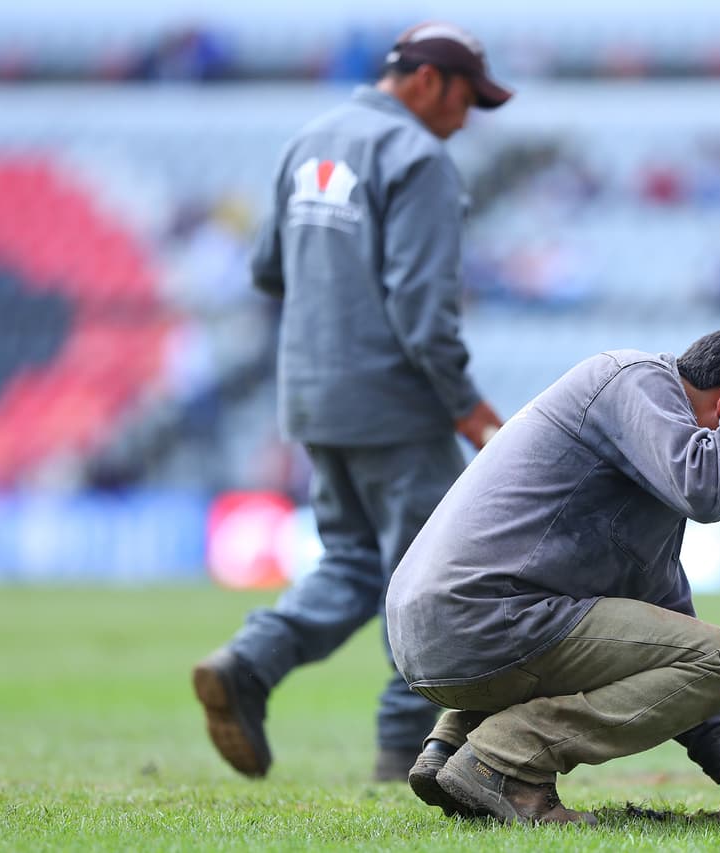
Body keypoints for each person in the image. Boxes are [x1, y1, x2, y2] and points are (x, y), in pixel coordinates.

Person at [192, 21, 512, 783]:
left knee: (352, 565)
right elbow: (421, 309)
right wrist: (467, 407)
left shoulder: (310, 140)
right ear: (429, 81)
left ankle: (249, 662)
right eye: (467, 99)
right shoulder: (418, 159)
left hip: (309, 393)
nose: (466, 120)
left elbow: (268, 269)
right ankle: (406, 743)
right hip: (395, 403)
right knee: (431, 578)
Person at [386, 319, 720, 824]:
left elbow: (660, 607)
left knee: (693, 651)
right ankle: (504, 759)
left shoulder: (646, 451)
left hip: (453, 630)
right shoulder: (633, 381)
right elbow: (708, 488)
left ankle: (455, 746)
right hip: (479, 620)